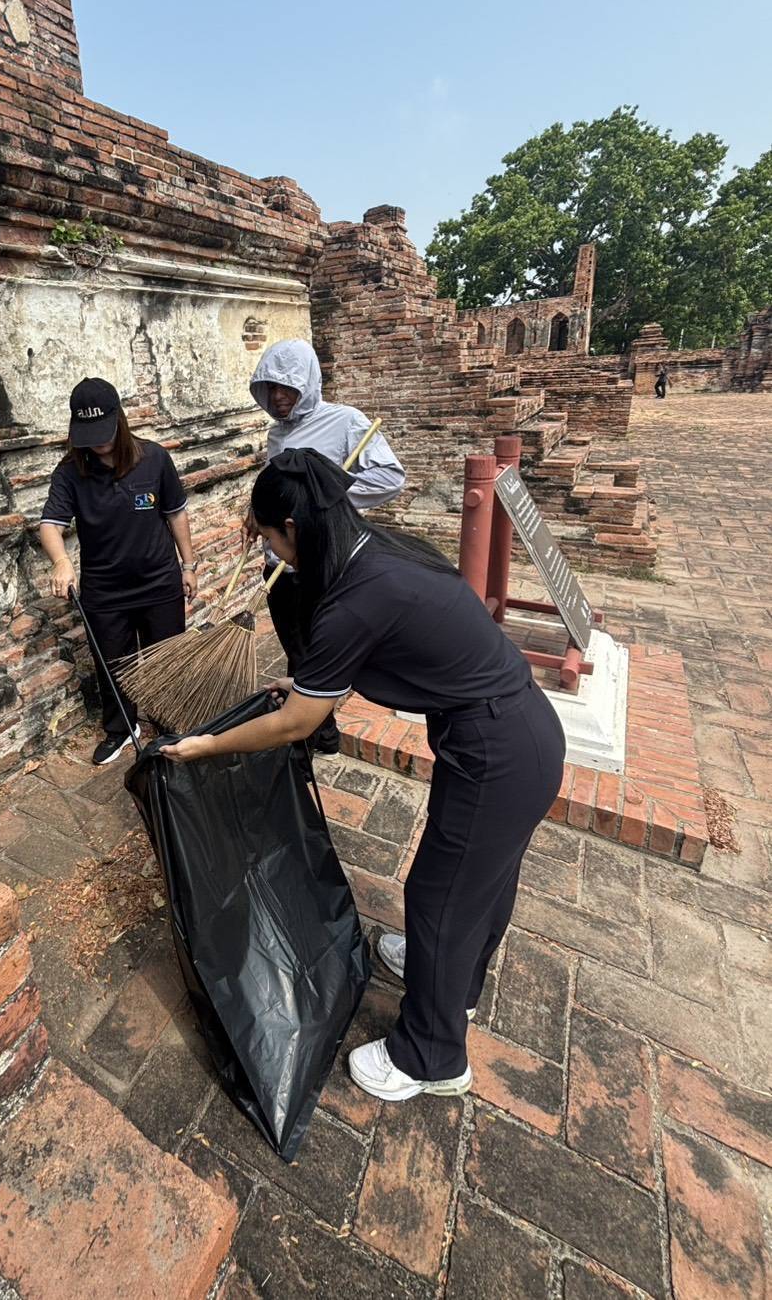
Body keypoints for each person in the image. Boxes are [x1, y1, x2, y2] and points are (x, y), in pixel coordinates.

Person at [164, 448, 565, 1104]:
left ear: (292, 526)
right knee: (480, 881)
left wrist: (208, 744)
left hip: (499, 750)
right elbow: (362, 660)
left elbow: (295, 725)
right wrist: (307, 683)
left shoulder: (354, 598)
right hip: (519, 731)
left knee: (440, 893)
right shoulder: (377, 550)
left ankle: (432, 1055)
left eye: (267, 537)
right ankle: (453, 987)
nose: (271, 551)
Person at [245, 338, 406, 754]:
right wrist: (258, 513)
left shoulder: (346, 420)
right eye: (270, 388)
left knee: (314, 654)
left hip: (323, 566)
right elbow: (279, 488)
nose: (279, 398)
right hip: (279, 566)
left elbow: (390, 477)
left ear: (308, 383)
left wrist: (326, 499)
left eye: (287, 388)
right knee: (295, 648)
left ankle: (316, 733)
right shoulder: (275, 435)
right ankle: (308, 723)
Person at [39, 378, 198, 765]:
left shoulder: (155, 458)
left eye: (104, 432)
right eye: (88, 435)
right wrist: (61, 561)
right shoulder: (70, 472)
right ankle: (122, 729)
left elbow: (175, 512)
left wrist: (188, 565)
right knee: (113, 665)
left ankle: (169, 720)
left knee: (166, 658)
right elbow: (50, 524)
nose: (98, 442)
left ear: (120, 419)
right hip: (105, 590)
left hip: (159, 581)